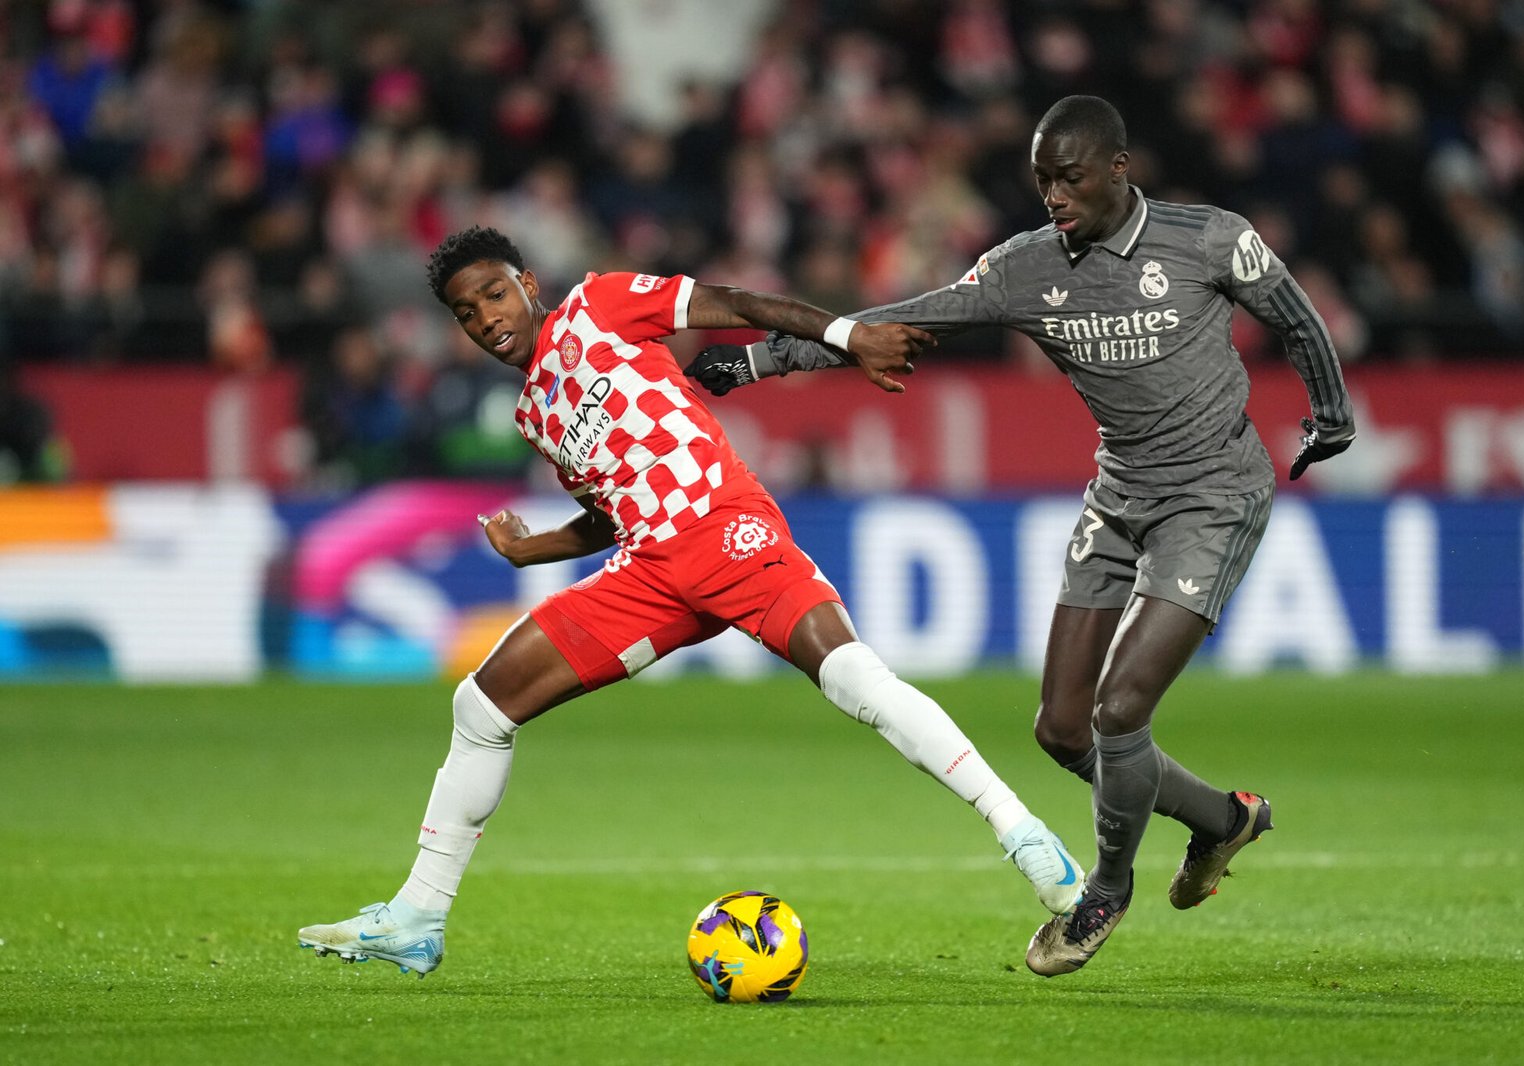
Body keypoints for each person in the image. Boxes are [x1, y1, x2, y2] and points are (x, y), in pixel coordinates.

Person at [296, 225, 1085, 977]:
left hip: (722, 526)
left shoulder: (599, 305)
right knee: (481, 705)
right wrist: (531, 547)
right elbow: (609, 510)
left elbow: (733, 303)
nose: (485, 319)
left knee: (853, 678)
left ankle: (1025, 837)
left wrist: (849, 337)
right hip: (651, 574)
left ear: (527, 284)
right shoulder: (533, 414)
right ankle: (417, 919)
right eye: (466, 313)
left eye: (494, 296)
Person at [686, 95, 1356, 976]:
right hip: (1118, 496)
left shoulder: (1207, 238)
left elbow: (1298, 319)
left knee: (1122, 712)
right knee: (1062, 729)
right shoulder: (1024, 267)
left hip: (1214, 494)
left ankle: (1104, 894)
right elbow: (898, 325)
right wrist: (762, 358)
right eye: (1041, 179)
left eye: (1069, 177)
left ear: (1119, 167)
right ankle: (1224, 822)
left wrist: (1331, 414)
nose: (1053, 195)